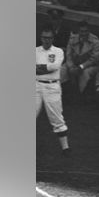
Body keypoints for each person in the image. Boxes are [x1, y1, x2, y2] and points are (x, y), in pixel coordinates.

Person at [36, 27, 72, 156]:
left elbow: (55, 66)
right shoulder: (34, 51)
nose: (46, 40)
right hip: (36, 86)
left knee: (56, 117)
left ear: (53, 38)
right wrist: (45, 69)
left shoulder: (58, 52)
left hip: (52, 87)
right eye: (44, 37)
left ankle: (65, 148)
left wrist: (39, 68)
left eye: (49, 38)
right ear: (41, 38)